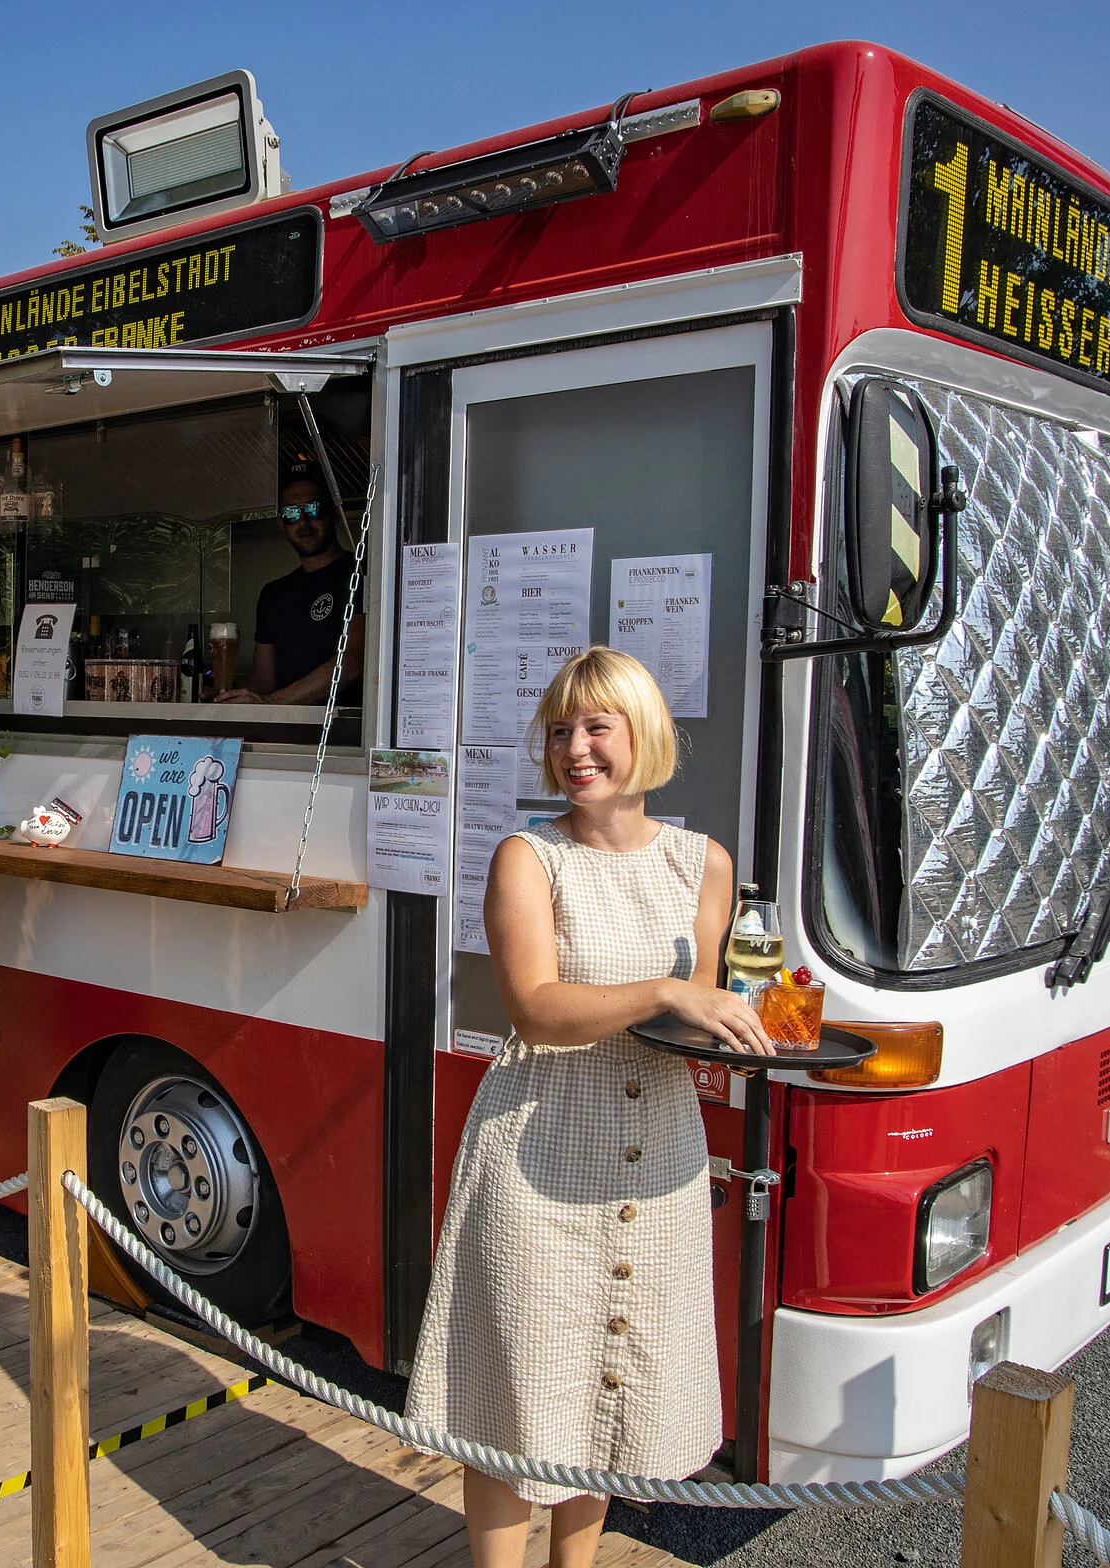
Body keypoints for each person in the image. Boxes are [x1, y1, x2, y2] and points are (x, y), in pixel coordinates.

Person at [405, 646, 774, 1568]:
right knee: (516, 1384)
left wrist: (752, 1024)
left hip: (658, 1147)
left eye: (596, 726)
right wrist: (667, 991)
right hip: (540, 1143)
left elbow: (695, 1014)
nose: (576, 747)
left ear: (642, 734)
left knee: (612, 1382)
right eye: (562, 730)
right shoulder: (529, 856)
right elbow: (535, 1004)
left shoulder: (706, 864)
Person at [215, 455, 363, 706]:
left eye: (314, 509)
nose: (303, 522)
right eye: (291, 513)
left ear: (335, 513)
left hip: (344, 736)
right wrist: (219, 694)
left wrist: (271, 703)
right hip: (285, 736)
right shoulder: (274, 594)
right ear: (281, 524)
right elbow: (263, 682)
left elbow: (353, 662)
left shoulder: (362, 575)